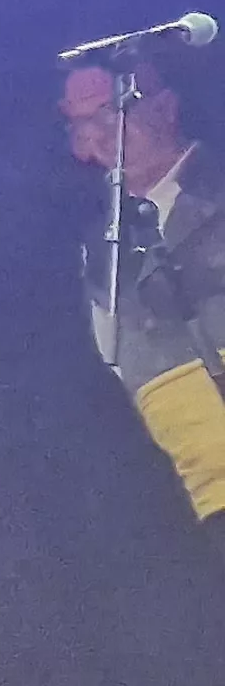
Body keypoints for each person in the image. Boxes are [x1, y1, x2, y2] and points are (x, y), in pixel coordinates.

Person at [61, 56, 225, 541]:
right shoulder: (103, 248)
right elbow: (117, 356)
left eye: (114, 111)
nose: (101, 134)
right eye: (82, 123)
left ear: (167, 107)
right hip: (212, 491)